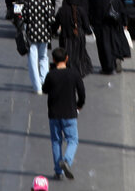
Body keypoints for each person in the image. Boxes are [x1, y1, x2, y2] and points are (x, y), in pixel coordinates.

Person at [43, 47, 86, 181]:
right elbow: (82, 93)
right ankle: (66, 160)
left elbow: (45, 89)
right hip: (70, 113)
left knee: (56, 141)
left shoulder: (51, 75)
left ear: (54, 60)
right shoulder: (74, 73)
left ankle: (58, 171)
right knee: (72, 140)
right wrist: (79, 105)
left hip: (54, 114)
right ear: (67, 58)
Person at [16, 0, 60, 93]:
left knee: (32, 60)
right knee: (43, 58)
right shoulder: (47, 3)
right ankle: (44, 81)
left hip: (32, 34)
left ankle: (37, 87)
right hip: (45, 34)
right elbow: (52, 19)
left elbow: (23, 17)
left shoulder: (29, 2)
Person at [88, 0, 131, 75]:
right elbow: (122, 9)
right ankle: (116, 57)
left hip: (100, 23)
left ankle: (107, 67)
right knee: (114, 41)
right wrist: (125, 22)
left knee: (103, 45)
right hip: (114, 22)